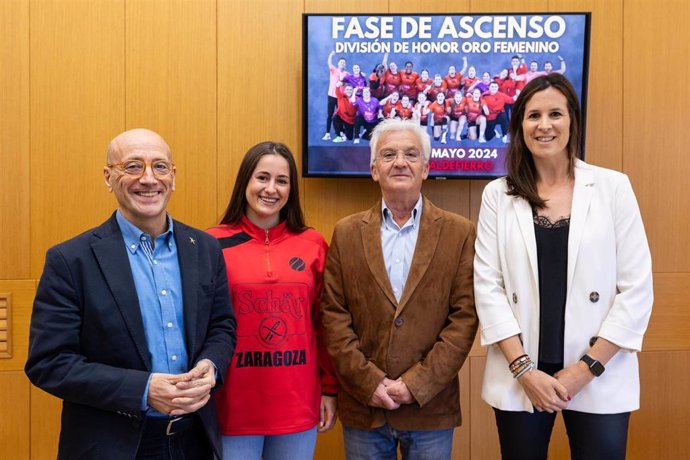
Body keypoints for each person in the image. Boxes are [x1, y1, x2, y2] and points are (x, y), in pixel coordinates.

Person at [25, 128, 237, 459]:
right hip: (114, 446)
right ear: (109, 177)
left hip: (195, 439)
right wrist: (143, 390)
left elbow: (222, 325)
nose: (149, 179)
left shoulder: (205, 248)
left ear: (174, 176)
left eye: (160, 167)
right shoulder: (70, 260)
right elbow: (49, 363)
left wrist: (211, 366)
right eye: (133, 166)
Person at [473, 74, 653, 460]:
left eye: (555, 113)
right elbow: (488, 287)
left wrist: (586, 369)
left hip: (599, 372)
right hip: (521, 374)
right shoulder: (498, 196)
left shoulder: (613, 187)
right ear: (519, 125)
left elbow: (636, 289)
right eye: (533, 115)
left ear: (572, 120)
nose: (545, 125)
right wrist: (524, 370)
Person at [320, 118, 479, 460]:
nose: (400, 162)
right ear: (374, 169)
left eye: (411, 153)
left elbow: (464, 320)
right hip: (365, 407)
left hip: (430, 407)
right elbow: (333, 316)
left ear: (426, 167)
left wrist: (415, 385)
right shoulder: (346, 233)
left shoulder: (459, 232)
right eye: (389, 154)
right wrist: (370, 383)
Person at [207, 142, 338, 459]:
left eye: (282, 180)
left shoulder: (313, 243)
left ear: (291, 189)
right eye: (262, 177)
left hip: (297, 405)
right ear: (245, 183)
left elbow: (325, 324)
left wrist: (330, 389)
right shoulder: (212, 243)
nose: (271, 188)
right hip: (233, 407)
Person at [324, 51, 349, 140]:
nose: (342, 63)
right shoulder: (334, 70)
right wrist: (331, 55)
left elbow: (354, 79)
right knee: (330, 114)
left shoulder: (347, 74)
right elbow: (329, 63)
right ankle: (327, 133)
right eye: (341, 62)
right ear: (338, 64)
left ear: (345, 65)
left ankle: (341, 132)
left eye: (343, 62)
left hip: (340, 98)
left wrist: (361, 74)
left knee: (341, 115)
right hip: (331, 96)